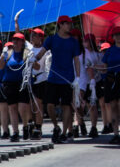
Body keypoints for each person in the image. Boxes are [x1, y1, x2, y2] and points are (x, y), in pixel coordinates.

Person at [34, 15, 81, 144]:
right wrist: (33, 59)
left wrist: (77, 77)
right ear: (60, 24)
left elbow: (76, 60)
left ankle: (64, 133)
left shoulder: (73, 42)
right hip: (53, 78)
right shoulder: (51, 39)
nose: (69, 26)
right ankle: (56, 127)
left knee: (67, 107)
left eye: (70, 23)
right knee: (49, 105)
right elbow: (42, 52)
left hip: (68, 79)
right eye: (67, 23)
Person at [0, 33, 33, 142]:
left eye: (18, 40)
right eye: (14, 39)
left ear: (22, 42)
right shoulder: (8, 53)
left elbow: (36, 66)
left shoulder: (26, 53)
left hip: (22, 82)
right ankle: (15, 132)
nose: (15, 42)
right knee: (12, 108)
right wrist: (2, 55)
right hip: (9, 83)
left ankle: (25, 126)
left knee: (22, 108)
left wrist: (32, 59)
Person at [80, 33, 103, 138]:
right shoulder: (82, 53)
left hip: (94, 82)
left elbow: (101, 67)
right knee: (80, 105)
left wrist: (94, 69)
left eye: (88, 41)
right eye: (85, 41)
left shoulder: (97, 54)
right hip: (84, 82)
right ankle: (80, 124)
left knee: (93, 106)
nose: (86, 43)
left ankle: (94, 127)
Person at [28, 28, 49, 139]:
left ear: (40, 37)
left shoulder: (44, 50)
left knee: (38, 104)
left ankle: (38, 127)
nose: (32, 36)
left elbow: (39, 66)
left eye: (35, 35)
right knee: (31, 104)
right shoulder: (30, 48)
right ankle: (31, 124)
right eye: (32, 34)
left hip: (41, 79)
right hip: (30, 79)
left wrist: (33, 61)